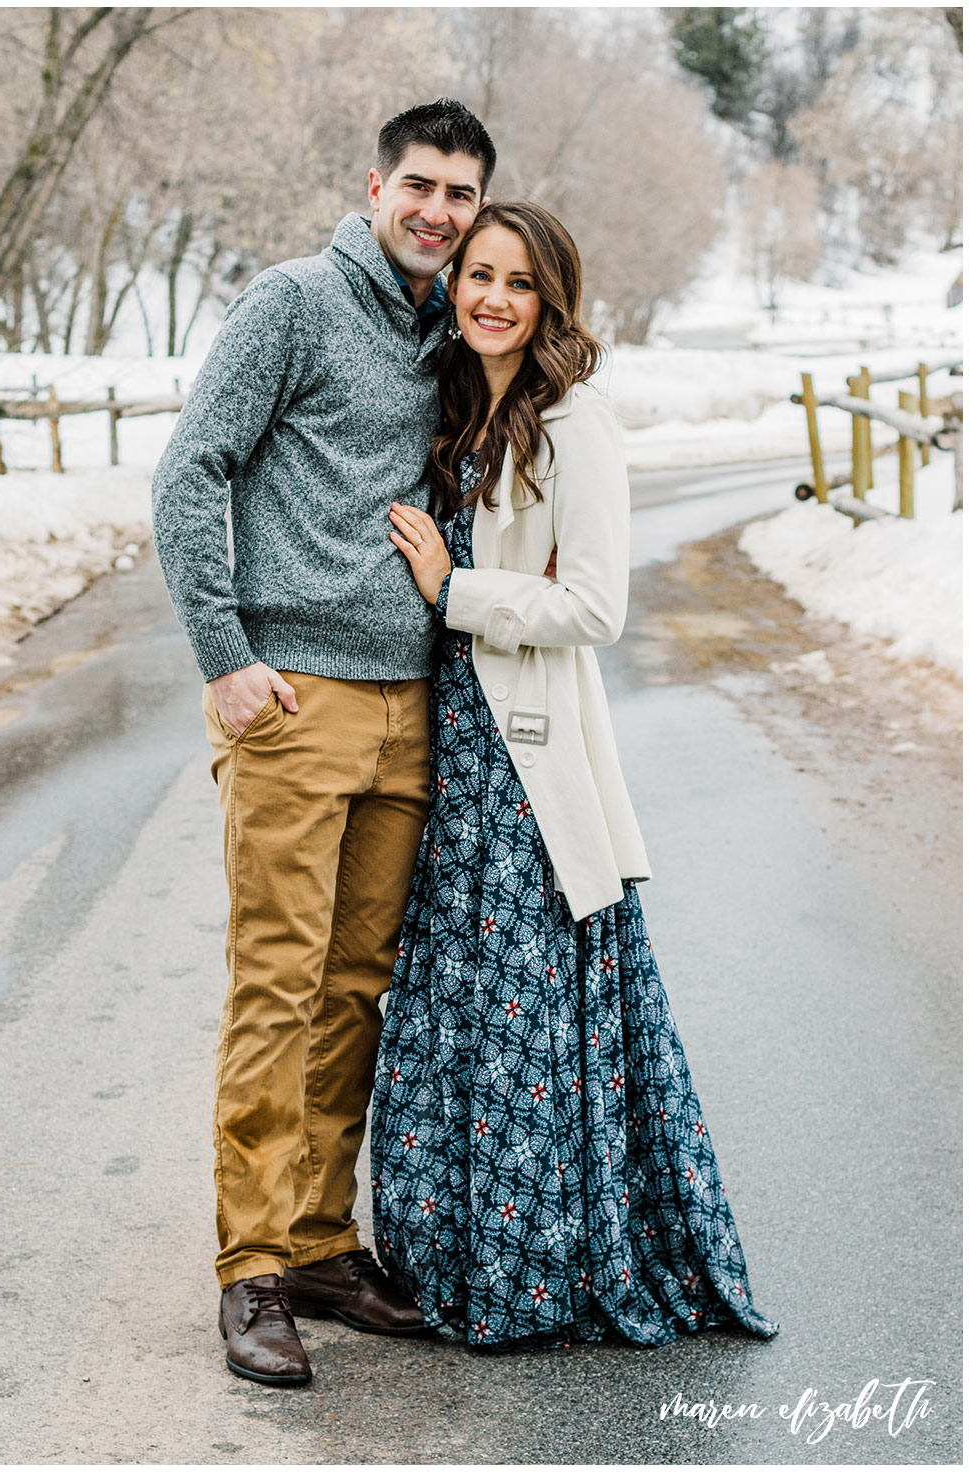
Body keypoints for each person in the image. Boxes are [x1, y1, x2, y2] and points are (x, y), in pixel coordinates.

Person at [371, 202, 779, 1350]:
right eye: (476, 274)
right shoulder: (461, 401)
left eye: (517, 282)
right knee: (452, 1003)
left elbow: (596, 605)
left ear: (552, 300)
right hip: (447, 740)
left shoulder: (572, 419)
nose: (490, 296)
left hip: (522, 752)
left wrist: (459, 592)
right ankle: (444, 1251)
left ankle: (535, 1264)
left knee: (523, 1010)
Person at [151, 99, 496, 1386]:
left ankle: (315, 1238)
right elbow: (192, 470)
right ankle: (248, 1268)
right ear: (373, 185)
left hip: (408, 706)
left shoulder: (442, 328)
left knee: (356, 992)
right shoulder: (290, 301)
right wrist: (227, 658)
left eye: (459, 195)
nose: (436, 212)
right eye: (419, 185)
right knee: (277, 985)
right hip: (295, 700)